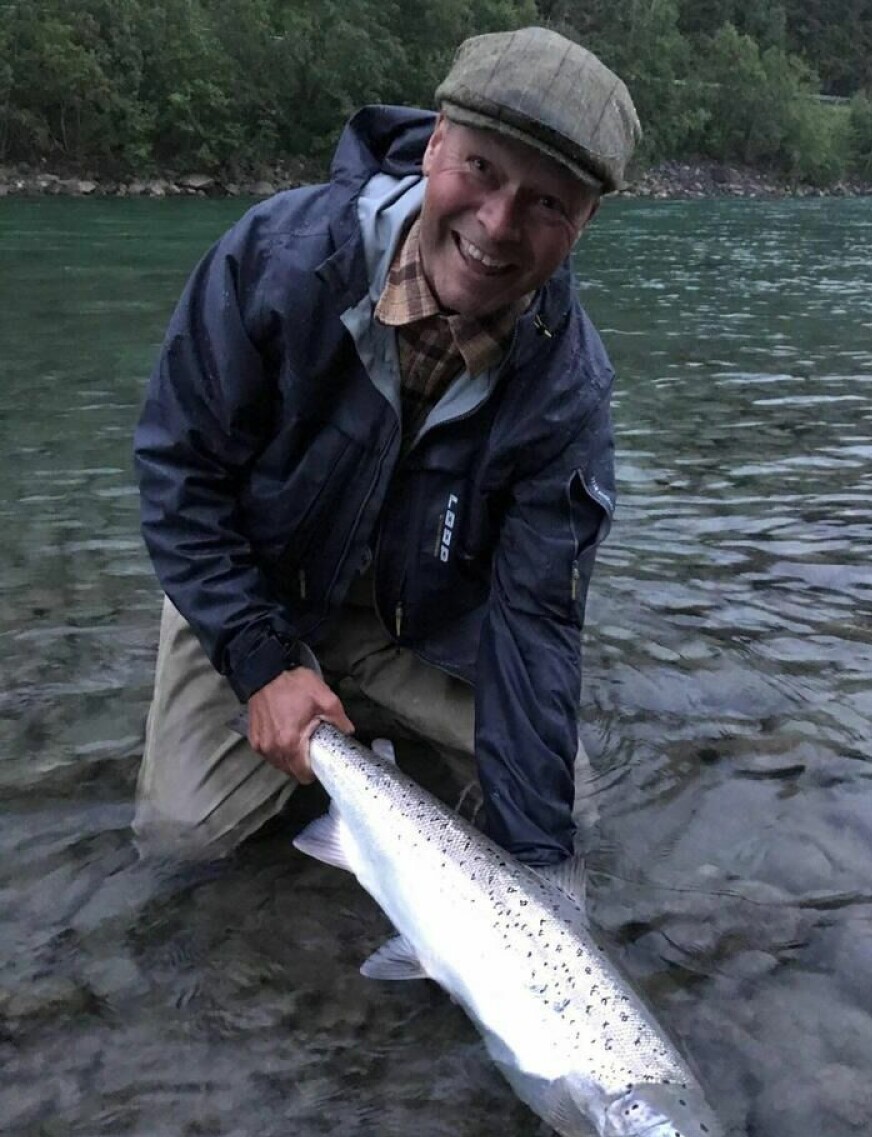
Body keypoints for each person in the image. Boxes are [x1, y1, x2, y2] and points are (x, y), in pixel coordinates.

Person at [133, 26, 640, 866]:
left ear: (583, 224)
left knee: (561, 813)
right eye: (481, 169)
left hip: (413, 631)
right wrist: (260, 660)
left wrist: (540, 878)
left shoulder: (566, 393)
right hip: (256, 584)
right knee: (182, 841)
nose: (498, 223)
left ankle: (367, 748)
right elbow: (179, 475)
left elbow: (536, 626)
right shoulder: (279, 262)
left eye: (547, 202)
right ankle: (273, 689)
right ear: (436, 142)